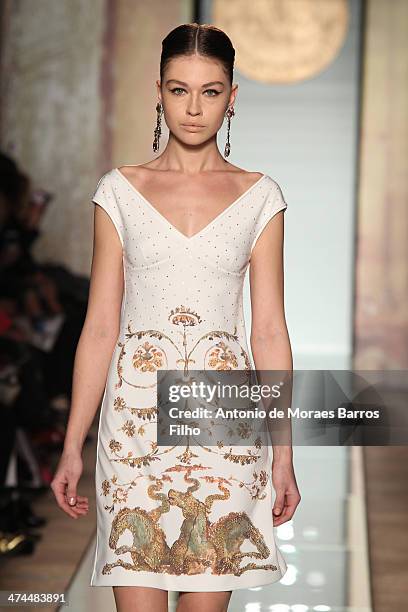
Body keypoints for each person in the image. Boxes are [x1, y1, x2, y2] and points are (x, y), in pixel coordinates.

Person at [51, 22, 301, 612]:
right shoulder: (119, 191)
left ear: (232, 97)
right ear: (158, 93)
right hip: (134, 420)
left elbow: (268, 329)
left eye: (210, 91)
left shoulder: (260, 196)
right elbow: (100, 327)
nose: (194, 108)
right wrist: (71, 446)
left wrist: (284, 455)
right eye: (179, 89)